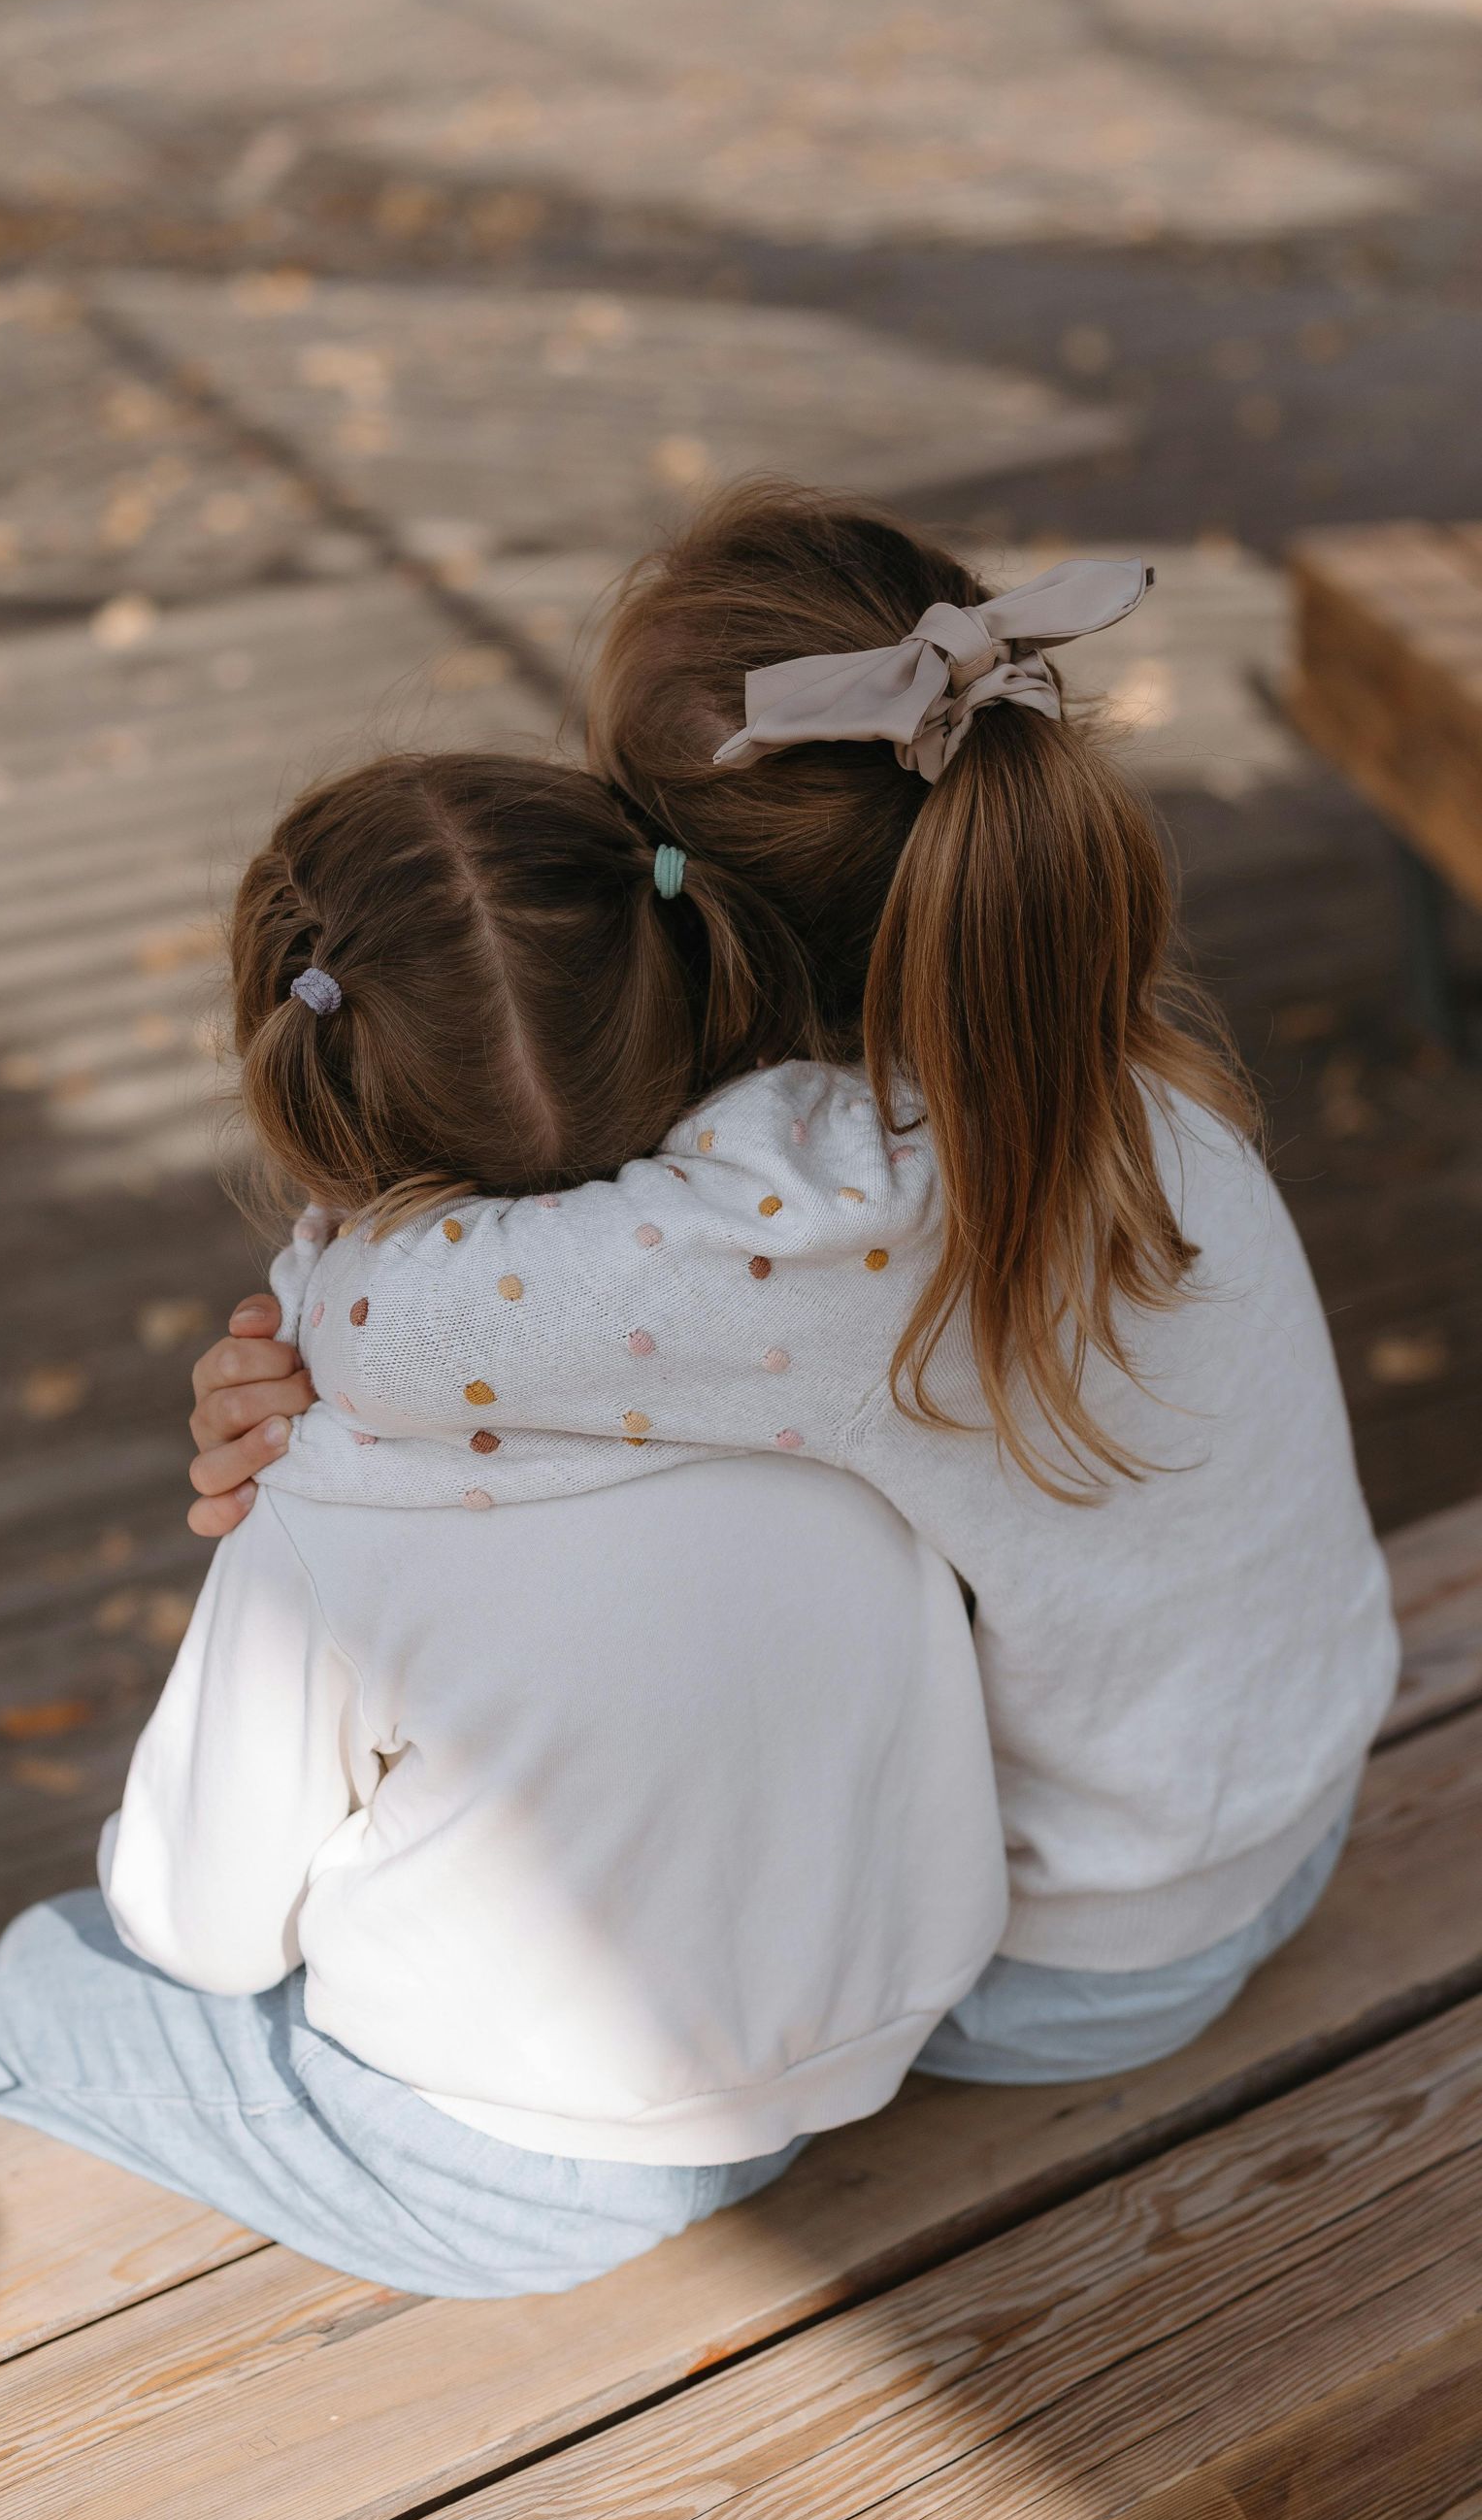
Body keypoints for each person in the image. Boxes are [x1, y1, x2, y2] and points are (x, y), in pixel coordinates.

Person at [182, 482, 1399, 2086]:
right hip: (1288, 1801)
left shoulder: (822, 1209)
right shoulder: (1096, 1059)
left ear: (674, 898)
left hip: (1078, 1958)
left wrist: (298, 1327)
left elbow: (403, 1332)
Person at [0, 749, 1008, 2299]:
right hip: (853, 2046)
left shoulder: (336, 1474)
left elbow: (198, 1925)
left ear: (305, 1080)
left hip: (506, 2157)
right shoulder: (845, 1325)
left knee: (34, 1987)